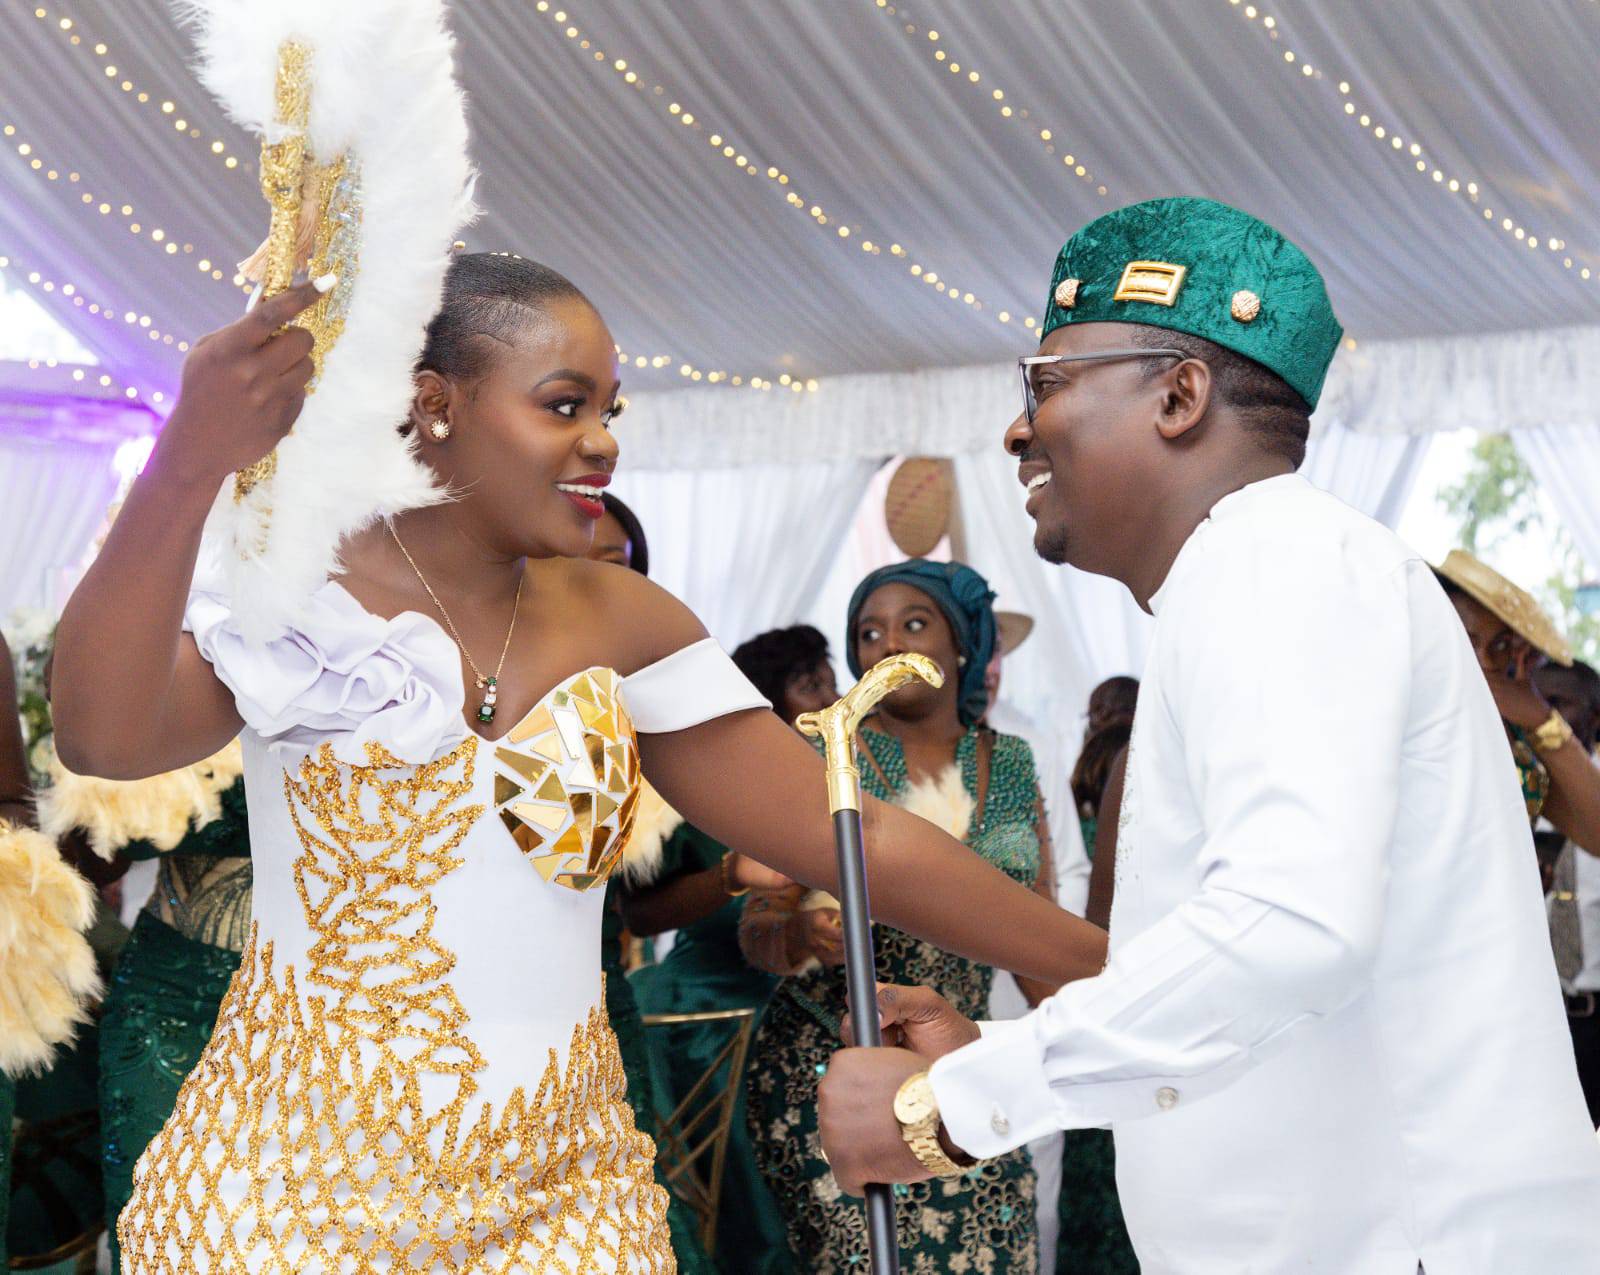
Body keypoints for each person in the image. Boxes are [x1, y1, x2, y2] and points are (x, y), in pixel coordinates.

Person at [50, 254, 1108, 1270]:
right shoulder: (292, 592)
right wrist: (189, 456)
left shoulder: (623, 619)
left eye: (610, 412)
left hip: (564, 1194)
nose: (601, 442)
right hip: (288, 1191)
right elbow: (106, 737)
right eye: (565, 405)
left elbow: (858, 838)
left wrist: (1119, 974)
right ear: (435, 402)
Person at [817, 196, 1600, 1273]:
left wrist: (950, 1105)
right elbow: (1262, 985)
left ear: (1179, 395)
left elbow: (1286, 927)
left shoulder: (1271, 561)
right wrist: (998, 1050)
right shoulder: (1253, 574)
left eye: (1045, 382)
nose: (1016, 427)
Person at [743, 560, 1056, 1273]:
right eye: (869, 631)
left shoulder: (1007, 762)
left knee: (999, 1246)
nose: (889, 644)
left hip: (964, 1067)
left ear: (963, 643)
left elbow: (1038, 930)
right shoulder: (824, 751)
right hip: (829, 1071)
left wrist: (1092, 1037)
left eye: (914, 623)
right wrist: (796, 933)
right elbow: (759, 927)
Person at [629, 623, 839, 1274]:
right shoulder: (698, 788)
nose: (832, 696)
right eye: (810, 684)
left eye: (831, 679)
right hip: (702, 1022)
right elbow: (641, 913)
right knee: (737, 1224)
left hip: (803, 1022)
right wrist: (729, 876)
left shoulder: (846, 775)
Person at [1435, 550, 1600, 852]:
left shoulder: (1517, 744)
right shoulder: (1401, 712)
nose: (1484, 660)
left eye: (1499, 645)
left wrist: (1543, 720)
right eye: (1466, 639)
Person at [1535, 657, 1600, 1124]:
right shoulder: (1521, 787)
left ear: (1594, 715)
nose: (1542, 714)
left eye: (1557, 702)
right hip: (1542, 1017)